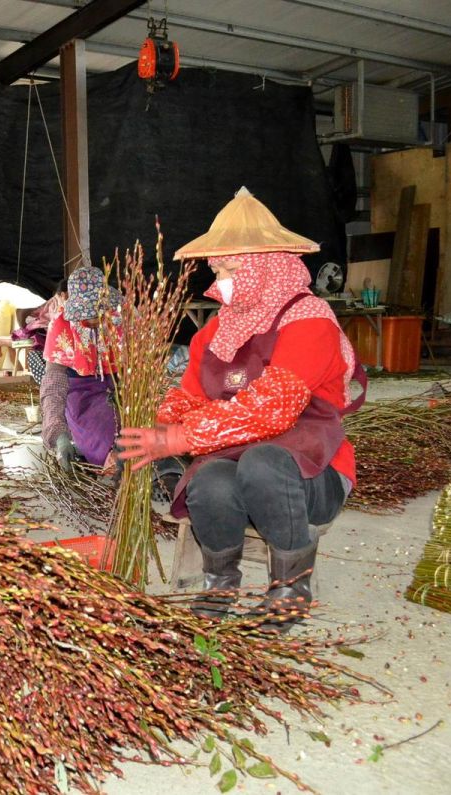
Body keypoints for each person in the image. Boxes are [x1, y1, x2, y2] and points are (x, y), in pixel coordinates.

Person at [116, 187, 366, 633]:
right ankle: (219, 585)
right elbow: (188, 397)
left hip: (314, 476)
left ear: (264, 264)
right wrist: (149, 433)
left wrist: (176, 439)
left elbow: (272, 412)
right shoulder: (215, 331)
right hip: (242, 468)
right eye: (216, 267)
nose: (218, 275)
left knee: (262, 460)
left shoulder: (310, 321)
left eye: (228, 266)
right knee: (208, 479)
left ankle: (289, 591)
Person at [40, 266, 120, 471]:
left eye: (98, 314)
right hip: (80, 391)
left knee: (143, 434)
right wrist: (58, 434)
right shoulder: (61, 326)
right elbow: (53, 386)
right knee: (102, 437)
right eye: (86, 317)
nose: (93, 321)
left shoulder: (120, 321)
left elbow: (138, 375)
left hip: (123, 388)